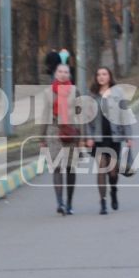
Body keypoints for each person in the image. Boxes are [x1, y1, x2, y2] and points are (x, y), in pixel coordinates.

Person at [84, 65, 135, 214]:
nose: (101, 77)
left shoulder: (118, 92)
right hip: (98, 137)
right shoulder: (92, 94)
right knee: (101, 169)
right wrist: (89, 137)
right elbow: (87, 119)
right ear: (96, 77)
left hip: (114, 136)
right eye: (99, 74)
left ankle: (113, 190)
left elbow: (125, 115)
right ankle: (103, 202)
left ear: (109, 76)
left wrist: (128, 136)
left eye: (104, 74)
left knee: (112, 171)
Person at [48, 62, 81, 215]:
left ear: (69, 75)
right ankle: (59, 202)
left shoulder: (75, 91)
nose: (63, 74)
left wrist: (81, 136)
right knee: (56, 167)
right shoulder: (49, 92)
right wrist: (41, 137)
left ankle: (69, 203)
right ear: (55, 74)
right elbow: (44, 115)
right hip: (54, 132)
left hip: (72, 133)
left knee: (69, 168)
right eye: (60, 71)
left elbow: (81, 115)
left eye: (66, 72)